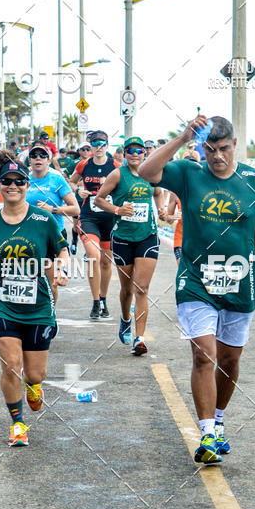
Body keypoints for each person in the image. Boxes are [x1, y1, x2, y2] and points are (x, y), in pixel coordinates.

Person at [141, 114, 255, 463]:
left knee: (229, 359)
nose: (217, 157)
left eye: (224, 149)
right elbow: (147, 172)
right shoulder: (189, 172)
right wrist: (183, 137)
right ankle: (207, 434)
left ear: (235, 144)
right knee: (203, 354)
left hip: (240, 282)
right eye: (210, 150)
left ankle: (220, 420)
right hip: (196, 280)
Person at [0, 151, 69, 447]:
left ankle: (34, 387)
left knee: (35, 373)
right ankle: (17, 424)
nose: (13, 186)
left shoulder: (43, 220)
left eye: (19, 181)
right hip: (3, 304)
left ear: (27, 185)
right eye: (7, 181)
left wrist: (62, 268)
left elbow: (62, 249)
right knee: (10, 364)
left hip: (39, 304)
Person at [94, 135, 163, 356]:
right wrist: (117, 210)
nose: (135, 154)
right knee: (127, 290)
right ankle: (125, 320)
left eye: (139, 150)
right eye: (130, 151)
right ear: (124, 154)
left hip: (147, 235)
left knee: (141, 288)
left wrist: (162, 210)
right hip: (123, 237)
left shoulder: (151, 174)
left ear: (144, 153)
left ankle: (139, 338)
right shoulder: (117, 174)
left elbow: (158, 192)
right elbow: (99, 199)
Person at [69, 129, 120, 319]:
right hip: (89, 216)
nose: (98, 147)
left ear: (107, 146)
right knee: (92, 256)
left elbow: (123, 188)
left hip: (109, 218)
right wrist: (78, 190)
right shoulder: (84, 164)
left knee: (106, 262)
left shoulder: (115, 166)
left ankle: (104, 299)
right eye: (95, 144)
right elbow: (71, 182)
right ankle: (95, 301)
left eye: (102, 144)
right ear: (91, 147)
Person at [26, 141, 80, 240]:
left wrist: (52, 209)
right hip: (30, 234)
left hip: (55, 234)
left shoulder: (57, 179)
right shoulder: (24, 180)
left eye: (43, 155)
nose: (38, 158)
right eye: (34, 155)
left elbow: (76, 209)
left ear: (49, 161)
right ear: (30, 161)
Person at [70, 141, 91, 255]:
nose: (86, 151)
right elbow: (70, 180)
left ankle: (88, 251)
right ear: (79, 151)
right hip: (78, 199)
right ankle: (74, 241)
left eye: (88, 149)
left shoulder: (95, 163)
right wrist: (79, 187)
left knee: (88, 226)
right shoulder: (75, 164)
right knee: (76, 225)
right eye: (83, 149)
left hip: (91, 200)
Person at [166, 192, 183, 265]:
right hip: (181, 240)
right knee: (184, 270)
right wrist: (173, 217)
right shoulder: (175, 193)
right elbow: (168, 219)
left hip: (201, 240)